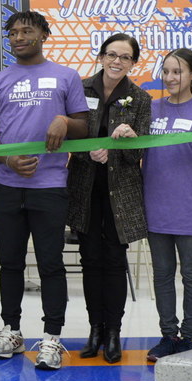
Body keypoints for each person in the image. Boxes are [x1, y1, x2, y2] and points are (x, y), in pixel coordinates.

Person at [0, 10, 89, 371]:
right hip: (7, 186)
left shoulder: (66, 77)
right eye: (13, 33)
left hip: (50, 186)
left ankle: (52, 338)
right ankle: (11, 330)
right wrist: (6, 159)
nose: (19, 37)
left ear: (44, 34)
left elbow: (84, 128)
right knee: (9, 264)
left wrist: (65, 121)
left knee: (51, 264)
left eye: (27, 31)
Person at [66, 33, 151, 364]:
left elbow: (141, 150)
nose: (117, 61)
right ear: (101, 56)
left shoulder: (140, 99)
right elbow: (71, 137)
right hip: (85, 190)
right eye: (111, 54)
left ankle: (113, 332)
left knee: (115, 262)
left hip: (121, 194)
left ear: (133, 63)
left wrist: (123, 147)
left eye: (125, 57)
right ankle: (94, 329)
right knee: (90, 261)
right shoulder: (80, 89)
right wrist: (93, 153)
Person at [142, 49, 192, 361]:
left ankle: (189, 336)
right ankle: (167, 335)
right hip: (155, 203)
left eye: (178, 72)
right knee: (162, 274)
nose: (171, 78)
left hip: (190, 204)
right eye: (167, 71)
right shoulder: (151, 108)